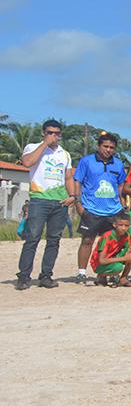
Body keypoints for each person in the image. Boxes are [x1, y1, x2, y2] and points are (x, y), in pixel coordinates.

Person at [17, 119, 76, 290]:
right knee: (32, 238)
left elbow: (68, 177)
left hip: (60, 201)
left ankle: (46, 275)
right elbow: (27, 162)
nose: (54, 136)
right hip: (39, 200)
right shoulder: (33, 147)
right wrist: (45, 144)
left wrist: (72, 195)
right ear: (44, 133)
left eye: (57, 133)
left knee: (53, 240)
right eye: (50, 132)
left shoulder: (64, 154)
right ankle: (24, 276)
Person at [73, 132, 127, 283]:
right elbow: (77, 181)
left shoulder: (118, 164)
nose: (108, 150)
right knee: (87, 241)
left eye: (112, 147)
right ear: (98, 146)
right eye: (106, 146)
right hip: (91, 209)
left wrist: (122, 203)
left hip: (113, 211)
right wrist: (78, 203)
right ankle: (82, 273)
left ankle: (105, 273)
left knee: (111, 243)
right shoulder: (87, 161)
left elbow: (121, 183)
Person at [89, 212, 131, 287]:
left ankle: (123, 278)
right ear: (114, 225)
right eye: (120, 225)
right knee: (118, 267)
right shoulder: (107, 237)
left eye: (126, 226)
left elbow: (129, 250)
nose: (123, 228)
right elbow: (101, 260)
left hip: (113, 258)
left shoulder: (127, 236)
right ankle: (101, 275)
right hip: (99, 264)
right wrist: (123, 258)